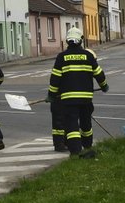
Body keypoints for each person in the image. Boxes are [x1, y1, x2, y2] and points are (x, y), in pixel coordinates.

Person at [46, 27, 108, 158]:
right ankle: (88, 146)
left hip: (68, 99)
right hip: (86, 98)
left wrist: (51, 95)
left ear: (67, 41)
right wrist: (104, 86)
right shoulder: (88, 56)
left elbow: (55, 79)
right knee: (86, 124)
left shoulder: (61, 57)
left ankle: (75, 151)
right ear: (81, 40)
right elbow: (99, 74)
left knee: (72, 124)